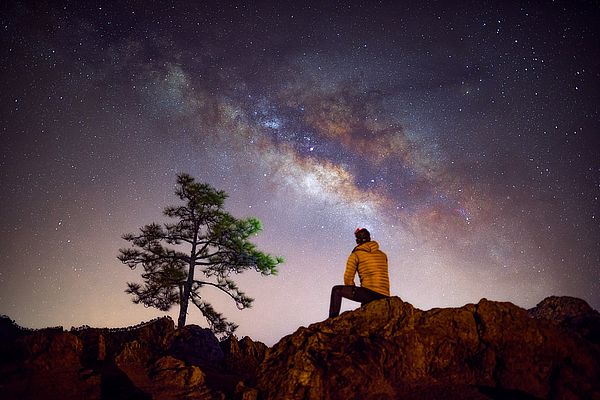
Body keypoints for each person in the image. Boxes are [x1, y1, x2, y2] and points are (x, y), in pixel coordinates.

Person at [329, 228, 390, 318]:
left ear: (358, 240)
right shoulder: (382, 254)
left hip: (369, 294)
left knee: (336, 290)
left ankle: (332, 320)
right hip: (385, 295)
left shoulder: (356, 254)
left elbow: (348, 279)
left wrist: (353, 289)